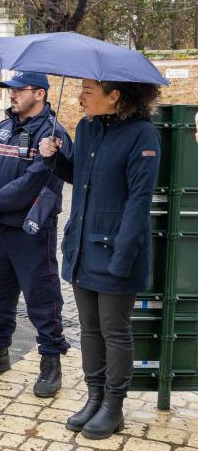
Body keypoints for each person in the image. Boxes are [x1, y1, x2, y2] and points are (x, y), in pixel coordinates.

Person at [39, 80, 160, 440]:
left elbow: (139, 202)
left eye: (88, 91)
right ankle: (94, 397)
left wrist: (122, 259)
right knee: (90, 329)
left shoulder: (143, 135)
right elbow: (80, 176)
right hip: (82, 248)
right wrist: (55, 156)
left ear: (115, 95)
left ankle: (113, 405)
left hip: (117, 252)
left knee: (114, 330)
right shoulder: (87, 127)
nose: (80, 98)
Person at [0, 71, 71, 398]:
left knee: (42, 297)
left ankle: (51, 362)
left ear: (39, 93)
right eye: (10, 90)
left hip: (32, 231)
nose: (11, 95)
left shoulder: (54, 135)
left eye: (18, 90)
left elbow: (35, 181)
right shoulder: (4, 126)